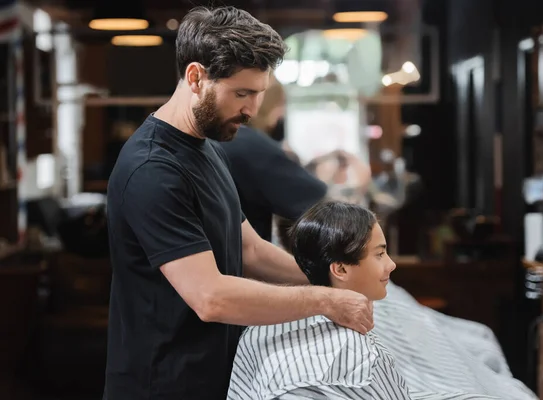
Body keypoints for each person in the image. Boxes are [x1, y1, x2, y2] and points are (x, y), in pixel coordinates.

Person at [103, 7, 373, 400]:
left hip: (212, 379)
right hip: (161, 385)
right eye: (241, 94)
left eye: (259, 94)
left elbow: (249, 249)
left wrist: (335, 275)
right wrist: (326, 299)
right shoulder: (152, 169)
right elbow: (210, 297)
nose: (252, 110)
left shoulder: (208, 149)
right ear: (196, 77)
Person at [227, 201, 410, 399]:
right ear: (340, 269)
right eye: (380, 254)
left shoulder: (255, 333)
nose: (391, 264)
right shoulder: (360, 357)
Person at [218, 76, 327, 242]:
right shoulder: (252, 146)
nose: (282, 113)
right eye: (281, 104)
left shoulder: (221, 139)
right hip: (247, 256)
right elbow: (316, 199)